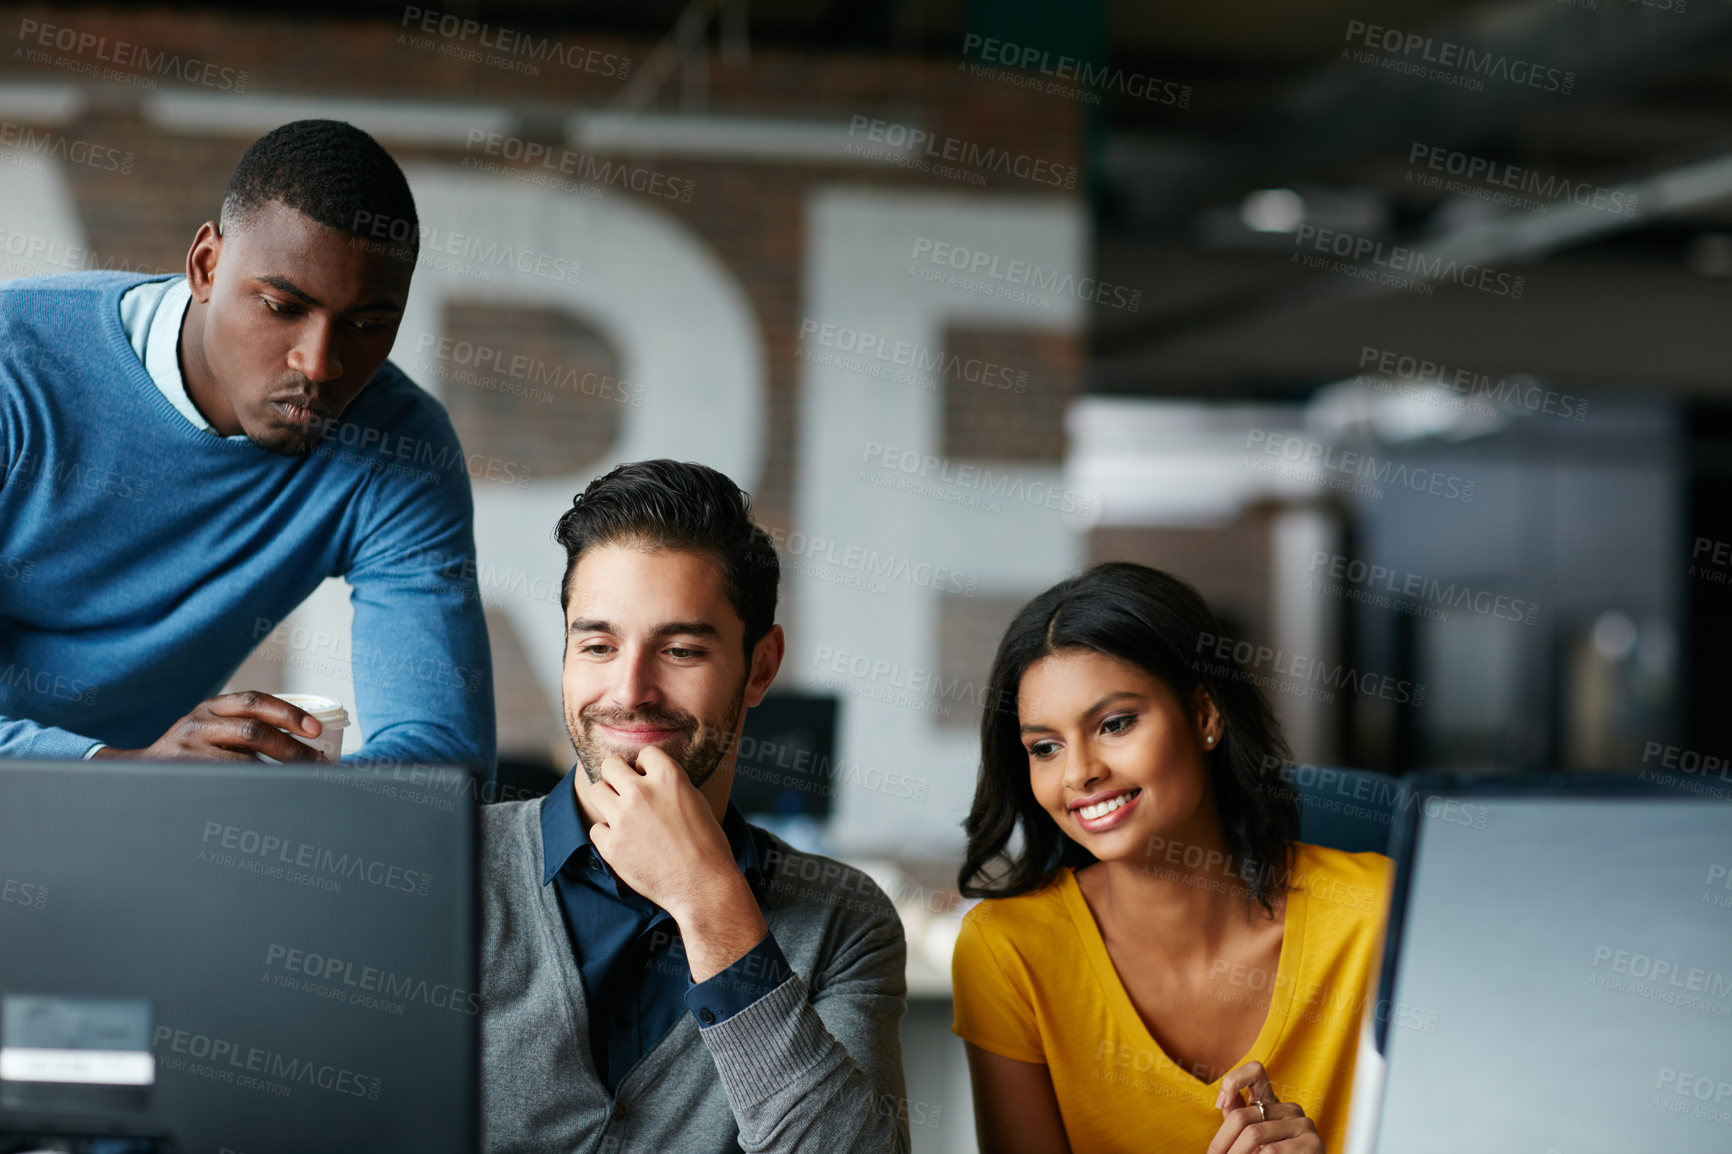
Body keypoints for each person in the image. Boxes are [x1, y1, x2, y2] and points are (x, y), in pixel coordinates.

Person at [0, 119, 494, 771]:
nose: (320, 364)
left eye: (367, 325)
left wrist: (291, 800)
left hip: (148, 823)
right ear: (206, 264)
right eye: (282, 306)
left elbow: (445, 757)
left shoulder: (398, 449)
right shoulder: (17, 366)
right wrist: (120, 770)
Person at [479, 459, 909, 1153]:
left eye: (679, 650)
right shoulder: (446, 865)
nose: (631, 690)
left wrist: (709, 902)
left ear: (760, 667)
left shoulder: (842, 921)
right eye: (597, 644)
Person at [951, 562, 1391, 1154]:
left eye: (1115, 723)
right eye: (1046, 747)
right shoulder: (1009, 952)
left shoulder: (1377, 914)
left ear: (1205, 715)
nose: (1080, 772)